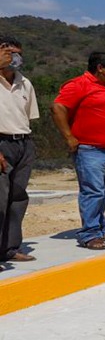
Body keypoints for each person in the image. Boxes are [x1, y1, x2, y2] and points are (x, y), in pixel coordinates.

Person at [51, 52, 105, 250]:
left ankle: (99, 227)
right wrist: (69, 136)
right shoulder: (79, 84)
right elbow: (58, 108)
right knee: (93, 191)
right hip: (90, 150)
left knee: (104, 191)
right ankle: (89, 234)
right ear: (100, 68)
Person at [0, 39, 39, 262]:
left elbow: (27, 117)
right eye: (9, 52)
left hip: (23, 142)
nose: (14, 57)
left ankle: (9, 248)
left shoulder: (25, 83)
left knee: (17, 197)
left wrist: (27, 146)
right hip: (1, 143)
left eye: (18, 53)